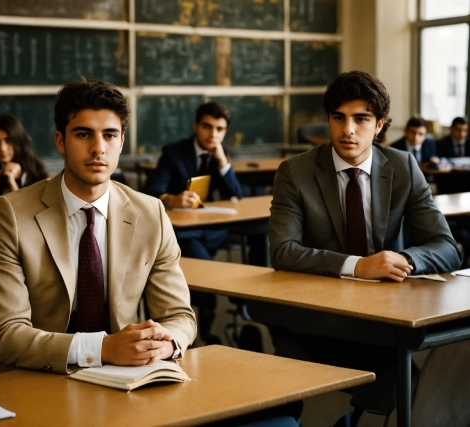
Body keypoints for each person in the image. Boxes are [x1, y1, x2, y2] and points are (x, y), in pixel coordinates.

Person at [266, 71, 461, 424]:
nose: (348, 130)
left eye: (361, 119)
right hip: (318, 319)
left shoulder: (402, 166)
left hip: (386, 318)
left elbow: (447, 247)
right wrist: (357, 265)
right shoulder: (295, 172)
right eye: (338, 117)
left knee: (412, 382)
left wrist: (403, 259)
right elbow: (283, 251)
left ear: (380, 124)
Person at [0, 79, 197, 376]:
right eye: (84, 134)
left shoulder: (151, 213)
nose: (98, 148)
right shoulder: (12, 215)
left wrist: (165, 344)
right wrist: (103, 349)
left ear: (121, 142)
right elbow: (4, 335)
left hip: (125, 378)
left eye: (109, 135)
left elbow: (179, 316)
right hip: (35, 376)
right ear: (60, 141)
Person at [143, 101, 243, 346]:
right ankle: (204, 320)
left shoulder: (220, 152)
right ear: (195, 126)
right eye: (207, 127)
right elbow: (151, 191)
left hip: (209, 230)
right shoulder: (174, 153)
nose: (213, 134)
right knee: (192, 247)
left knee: (204, 244)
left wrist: (222, 162)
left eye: (220, 129)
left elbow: (236, 196)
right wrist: (172, 199)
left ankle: (212, 312)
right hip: (183, 229)